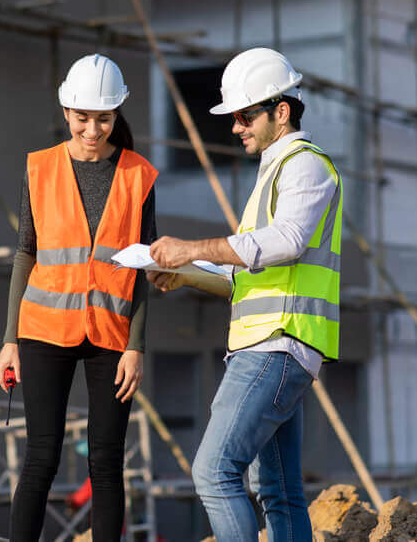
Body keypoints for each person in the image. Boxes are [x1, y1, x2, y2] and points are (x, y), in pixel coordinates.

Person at [147, 48, 341, 541]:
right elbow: (249, 275)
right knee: (276, 489)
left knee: (214, 472)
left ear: (281, 111)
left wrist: (190, 247)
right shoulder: (274, 174)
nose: (235, 127)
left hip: (276, 345)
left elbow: (286, 241)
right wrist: (188, 273)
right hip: (272, 344)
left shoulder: (304, 166)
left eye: (244, 115)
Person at [0, 53, 158, 542]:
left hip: (110, 336)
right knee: (40, 456)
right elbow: (25, 254)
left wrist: (137, 346)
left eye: (103, 118)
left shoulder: (138, 175)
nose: (93, 129)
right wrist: (10, 340)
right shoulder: (39, 169)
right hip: (43, 331)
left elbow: (143, 266)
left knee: (106, 461)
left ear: (117, 115)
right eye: (83, 117)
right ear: (66, 112)